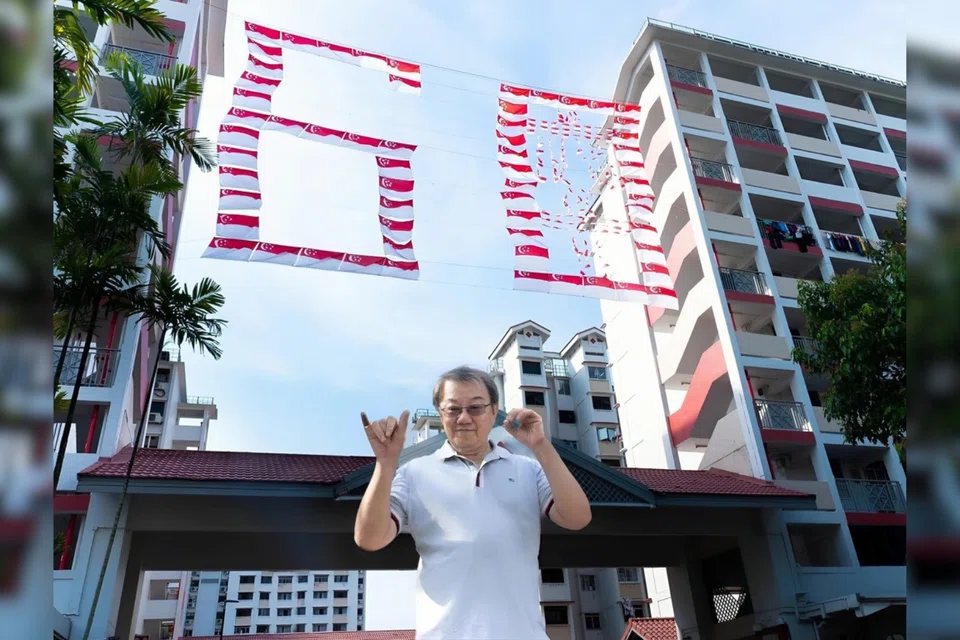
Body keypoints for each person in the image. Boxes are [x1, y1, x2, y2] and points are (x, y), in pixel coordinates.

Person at [353, 365, 593, 640]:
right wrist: (385, 464)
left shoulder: (527, 469)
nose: (464, 418)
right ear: (440, 414)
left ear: (494, 410)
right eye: (453, 409)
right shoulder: (414, 473)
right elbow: (369, 539)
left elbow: (577, 518)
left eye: (476, 408)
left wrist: (540, 445)